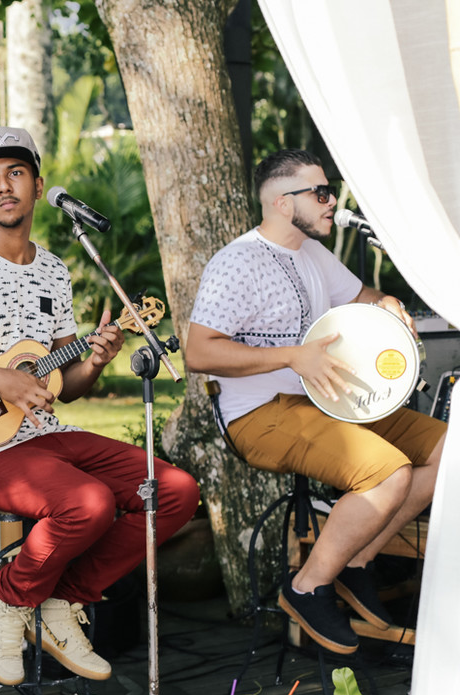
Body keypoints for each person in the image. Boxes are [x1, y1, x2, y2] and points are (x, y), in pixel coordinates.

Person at [0, 127, 200, 685]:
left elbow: (65, 382)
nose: (2, 186)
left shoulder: (54, 270)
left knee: (173, 491)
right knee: (88, 501)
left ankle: (60, 601)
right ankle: (6, 597)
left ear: (36, 185)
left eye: (15, 173)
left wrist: (97, 359)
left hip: (43, 436)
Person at [186, 148, 446, 655]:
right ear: (283, 202)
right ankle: (307, 587)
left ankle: (354, 561)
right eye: (321, 193)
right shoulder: (237, 262)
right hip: (260, 415)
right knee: (387, 472)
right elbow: (199, 351)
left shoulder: (311, 253)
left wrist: (386, 302)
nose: (332, 202)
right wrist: (293, 357)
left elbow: (360, 296)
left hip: (328, 401)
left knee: (451, 449)